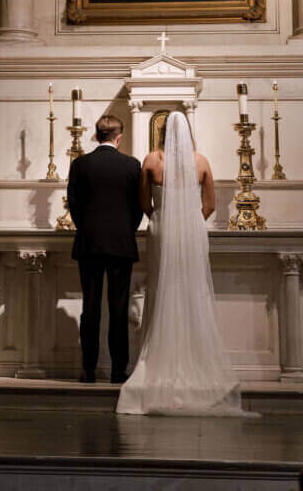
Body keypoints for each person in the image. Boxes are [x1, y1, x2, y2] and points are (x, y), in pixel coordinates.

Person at [116, 111, 243, 415]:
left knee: (161, 290)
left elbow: (144, 204)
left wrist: (164, 218)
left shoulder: (151, 161)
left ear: (161, 133)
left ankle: (158, 359)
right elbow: (210, 205)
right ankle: (193, 359)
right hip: (191, 230)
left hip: (161, 231)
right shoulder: (201, 162)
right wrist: (188, 221)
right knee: (192, 291)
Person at [67, 114, 143, 383]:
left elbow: (73, 204)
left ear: (96, 135)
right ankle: (118, 370)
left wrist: (87, 227)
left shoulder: (80, 164)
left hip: (89, 243)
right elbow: (138, 207)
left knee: (91, 307)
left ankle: (88, 369)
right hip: (121, 244)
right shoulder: (132, 165)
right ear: (118, 137)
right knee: (119, 308)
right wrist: (125, 230)